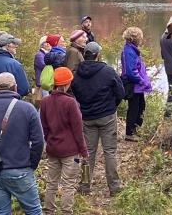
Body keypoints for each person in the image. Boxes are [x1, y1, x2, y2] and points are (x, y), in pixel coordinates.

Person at [71, 42, 125, 196]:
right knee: (109, 151)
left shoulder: (76, 73)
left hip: (87, 117)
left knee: (88, 152)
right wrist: (111, 106)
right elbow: (120, 92)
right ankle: (114, 187)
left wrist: (86, 106)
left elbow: (75, 92)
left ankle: (84, 186)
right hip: (107, 116)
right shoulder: (107, 71)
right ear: (97, 55)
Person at [0, 72, 44, 215]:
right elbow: (38, 141)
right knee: (33, 210)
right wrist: (31, 164)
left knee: (0, 212)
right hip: (21, 169)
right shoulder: (27, 108)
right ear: (15, 88)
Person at [40, 67, 88, 214]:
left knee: (51, 183)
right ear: (67, 84)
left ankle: (49, 211)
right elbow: (77, 130)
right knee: (69, 184)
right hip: (70, 151)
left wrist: (49, 140)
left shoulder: (45, 101)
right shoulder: (70, 103)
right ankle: (66, 212)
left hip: (53, 149)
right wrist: (84, 150)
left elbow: (44, 126)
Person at [121, 27, 152, 141]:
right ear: (135, 38)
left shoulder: (132, 49)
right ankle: (129, 133)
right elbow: (130, 71)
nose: (141, 39)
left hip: (137, 85)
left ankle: (135, 131)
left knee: (140, 107)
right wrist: (142, 81)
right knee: (134, 108)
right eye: (140, 36)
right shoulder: (129, 51)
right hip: (133, 85)